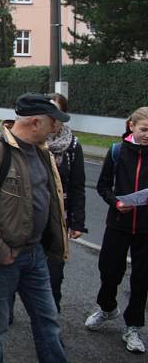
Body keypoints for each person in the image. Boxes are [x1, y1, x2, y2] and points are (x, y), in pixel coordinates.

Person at [0, 93, 69, 363]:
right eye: (53, 123)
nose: (57, 128)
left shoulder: (42, 152)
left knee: (48, 322)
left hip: (35, 255)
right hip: (4, 258)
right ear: (35, 122)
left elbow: (51, 200)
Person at [85, 107, 148, 354]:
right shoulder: (117, 152)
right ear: (131, 126)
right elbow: (102, 186)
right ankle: (107, 308)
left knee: (142, 280)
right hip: (118, 224)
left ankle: (133, 327)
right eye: (144, 130)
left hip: (146, 229)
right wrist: (116, 202)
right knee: (109, 271)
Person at [45, 93, 86, 313]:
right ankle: (8, 308)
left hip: (60, 218)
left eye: (55, 112)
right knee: (19, 268)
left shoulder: (72, 146)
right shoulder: (32, 141)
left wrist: (78, 222)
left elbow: (78, 186)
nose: (51, 118)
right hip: (30, 216)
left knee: (54, 272)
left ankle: (51, 318)